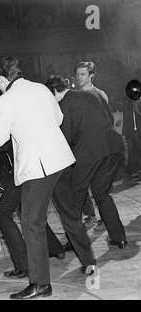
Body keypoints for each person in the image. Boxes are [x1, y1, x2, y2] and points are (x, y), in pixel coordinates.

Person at [0, 56, 94, 299]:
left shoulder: (6, 99)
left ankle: (40, 284)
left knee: (31, 223)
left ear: (2, 79)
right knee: (70, 216)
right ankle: (89, 263)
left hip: (39, 167)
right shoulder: (40, 89)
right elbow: (58, 120)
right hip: (61, 160)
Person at [0, 79, 66, 279]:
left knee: (2, 214)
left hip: (27, 170)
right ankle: (55, 248)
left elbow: (0, 144)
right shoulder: (9, 106)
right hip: (28, 169)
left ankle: (25, 265)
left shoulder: (4, 109)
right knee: (28, 210)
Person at [45, 75, 127, 248]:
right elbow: (110, 119)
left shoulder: (63, 105)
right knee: (102, 195)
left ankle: (75, 243)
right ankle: (119, 237)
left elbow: (65, 138)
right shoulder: (93, 94)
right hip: (112, 147)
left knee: (74, 197)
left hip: (88, 153)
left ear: (54, 91)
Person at [75, 61, 112, 229]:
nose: (79, 77)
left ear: (91, 75)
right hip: (79, 146)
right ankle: (89, 214)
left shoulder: (99, 94)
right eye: (78, 74)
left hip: (97, 147)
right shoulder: (73, 95)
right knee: (78, 184)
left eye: (83, 74)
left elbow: (107, 121)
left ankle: (105, 217)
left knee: (99, 186)